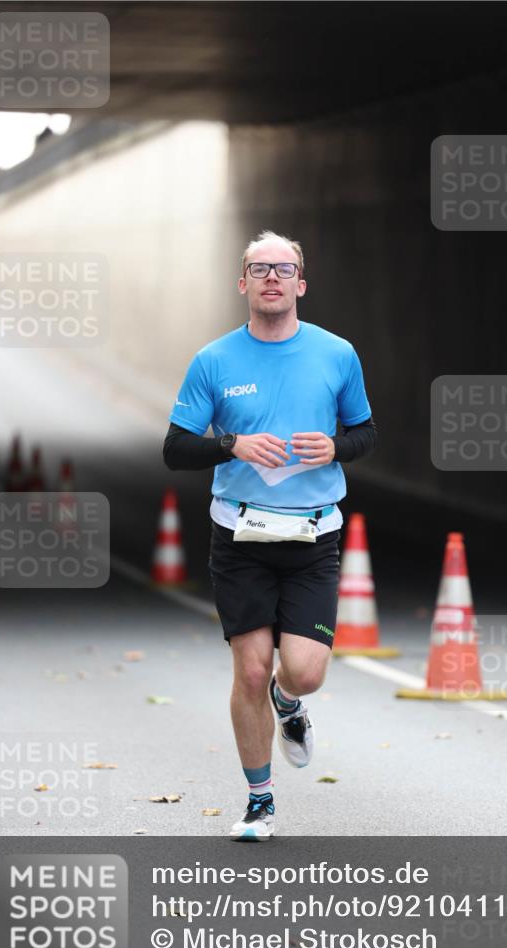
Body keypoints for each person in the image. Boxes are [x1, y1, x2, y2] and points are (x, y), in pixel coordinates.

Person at [163, 231, 377, 840]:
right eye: (260, 269)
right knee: (251, 672)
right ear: (244, 284)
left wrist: (335, 447)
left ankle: (290, 702)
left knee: (303, 673)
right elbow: (175, 449)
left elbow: (365, 433)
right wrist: (230, 443)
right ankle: (260, 801)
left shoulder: (337, 354)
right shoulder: (214, 360)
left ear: (301, 283)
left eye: (284, 269)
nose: (273, 278)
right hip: (240, 537)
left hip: (313, 537)